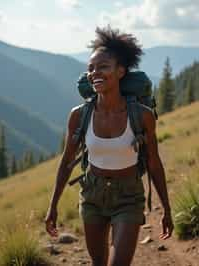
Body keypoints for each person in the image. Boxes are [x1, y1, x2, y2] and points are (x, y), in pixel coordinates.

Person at [45, 25, 173, 266]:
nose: (95, 73)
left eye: (103, 67)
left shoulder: (141, 115)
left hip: (128, 195)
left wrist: (166, 208)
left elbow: (154, 163)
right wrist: (53, 206)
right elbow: (66, 162)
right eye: (91, 68)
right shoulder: (79, 115)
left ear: (121, 72)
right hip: (92, 194)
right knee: (98, 262)